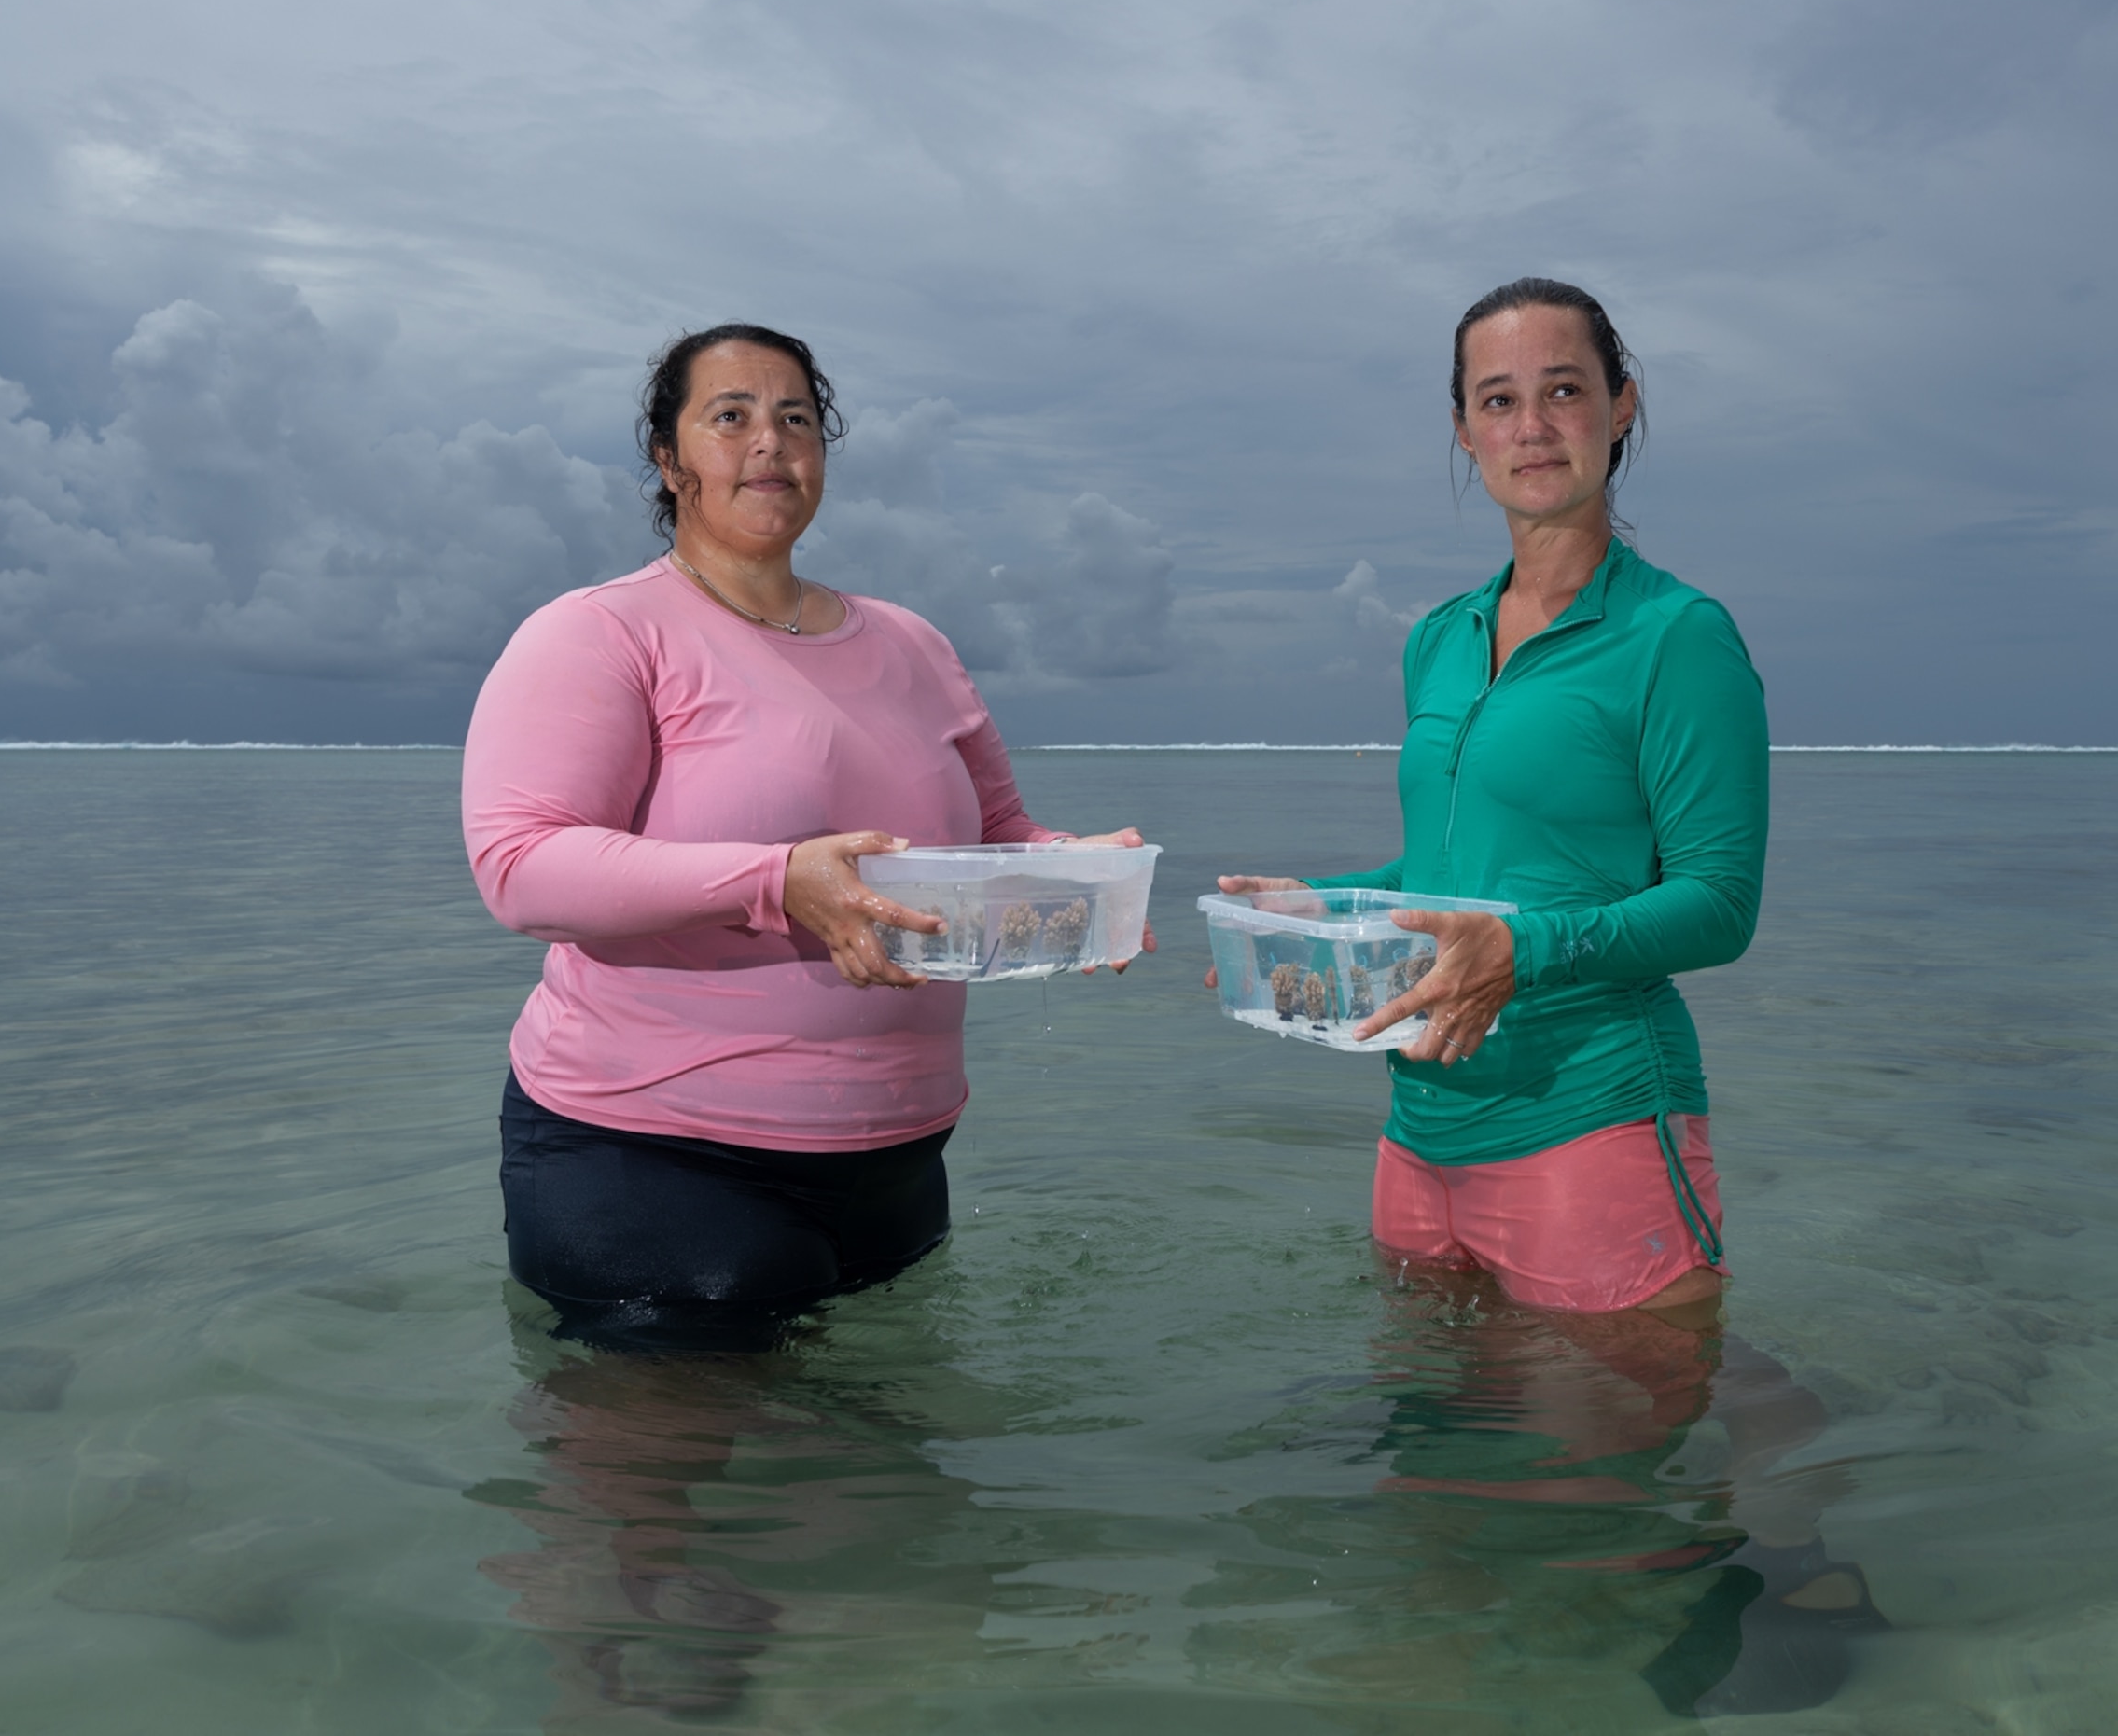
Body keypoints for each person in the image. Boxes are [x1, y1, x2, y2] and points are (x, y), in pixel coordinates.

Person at [1213, 278, 1882, 1712]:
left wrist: (1530, 956)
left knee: (1579, 1505)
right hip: (1423, 1124)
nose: (1534, 424)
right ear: (1462, 429)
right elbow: (1460, 869)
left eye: (1564, 389)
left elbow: (1718, 903)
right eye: (1499, 398)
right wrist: (1327, 902)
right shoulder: (1439, 638)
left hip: (1592, 1109)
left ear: (1621, 408)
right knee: (1455, 1449)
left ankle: (1790, 1551)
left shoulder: (1679, 637)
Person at [463, 323, 1147, 1353]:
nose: (768, 442)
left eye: (795, 419)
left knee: (885, 1500)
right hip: (653, 1154)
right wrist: (781, 878)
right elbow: (522, 866)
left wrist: (1078, 873)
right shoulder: (601, 632)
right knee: (656, 1504)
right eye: (729, 417)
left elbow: (994, 831)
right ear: (668, 457)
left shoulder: (912, 641)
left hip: (899, 1169)